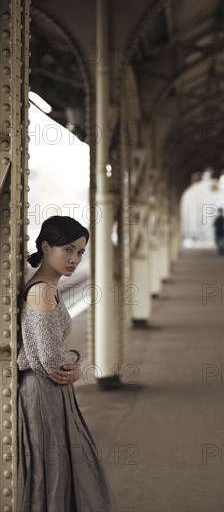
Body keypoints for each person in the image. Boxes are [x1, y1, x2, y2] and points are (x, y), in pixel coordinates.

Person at [16, 215, 118, 512]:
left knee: (54, 470)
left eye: (81, 252)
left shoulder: (46, 285)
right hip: (44, 392)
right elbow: (49, 358)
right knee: (53, 471)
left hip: (48, 390)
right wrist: (76, 359)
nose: (75, 259)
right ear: (46, 247)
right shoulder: (43, 291)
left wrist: (71, 363)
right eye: (68, 250)